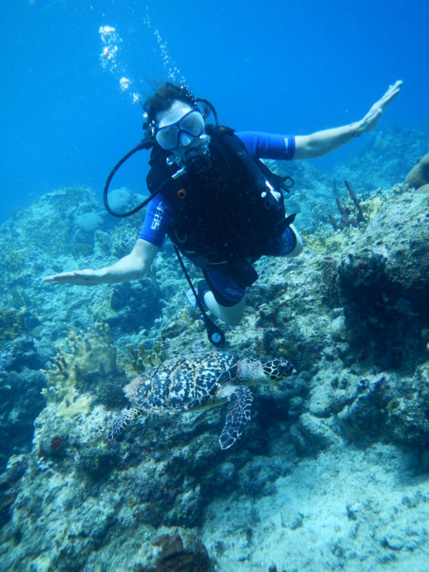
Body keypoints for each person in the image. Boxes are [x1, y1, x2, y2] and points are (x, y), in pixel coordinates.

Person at [44, 80, 402, 327]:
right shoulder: (166, 191)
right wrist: (104, 275)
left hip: (263, 234)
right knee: (234, 319)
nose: (186, 141)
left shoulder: (236, 143)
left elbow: (306, 145)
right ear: (159, 143)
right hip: (223, 264)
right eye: (171, 136)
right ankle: (203, 294)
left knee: (299, 247)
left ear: (203, 118)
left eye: (191, 125)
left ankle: (255, 259)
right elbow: (139, 262)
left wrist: (357, 128)